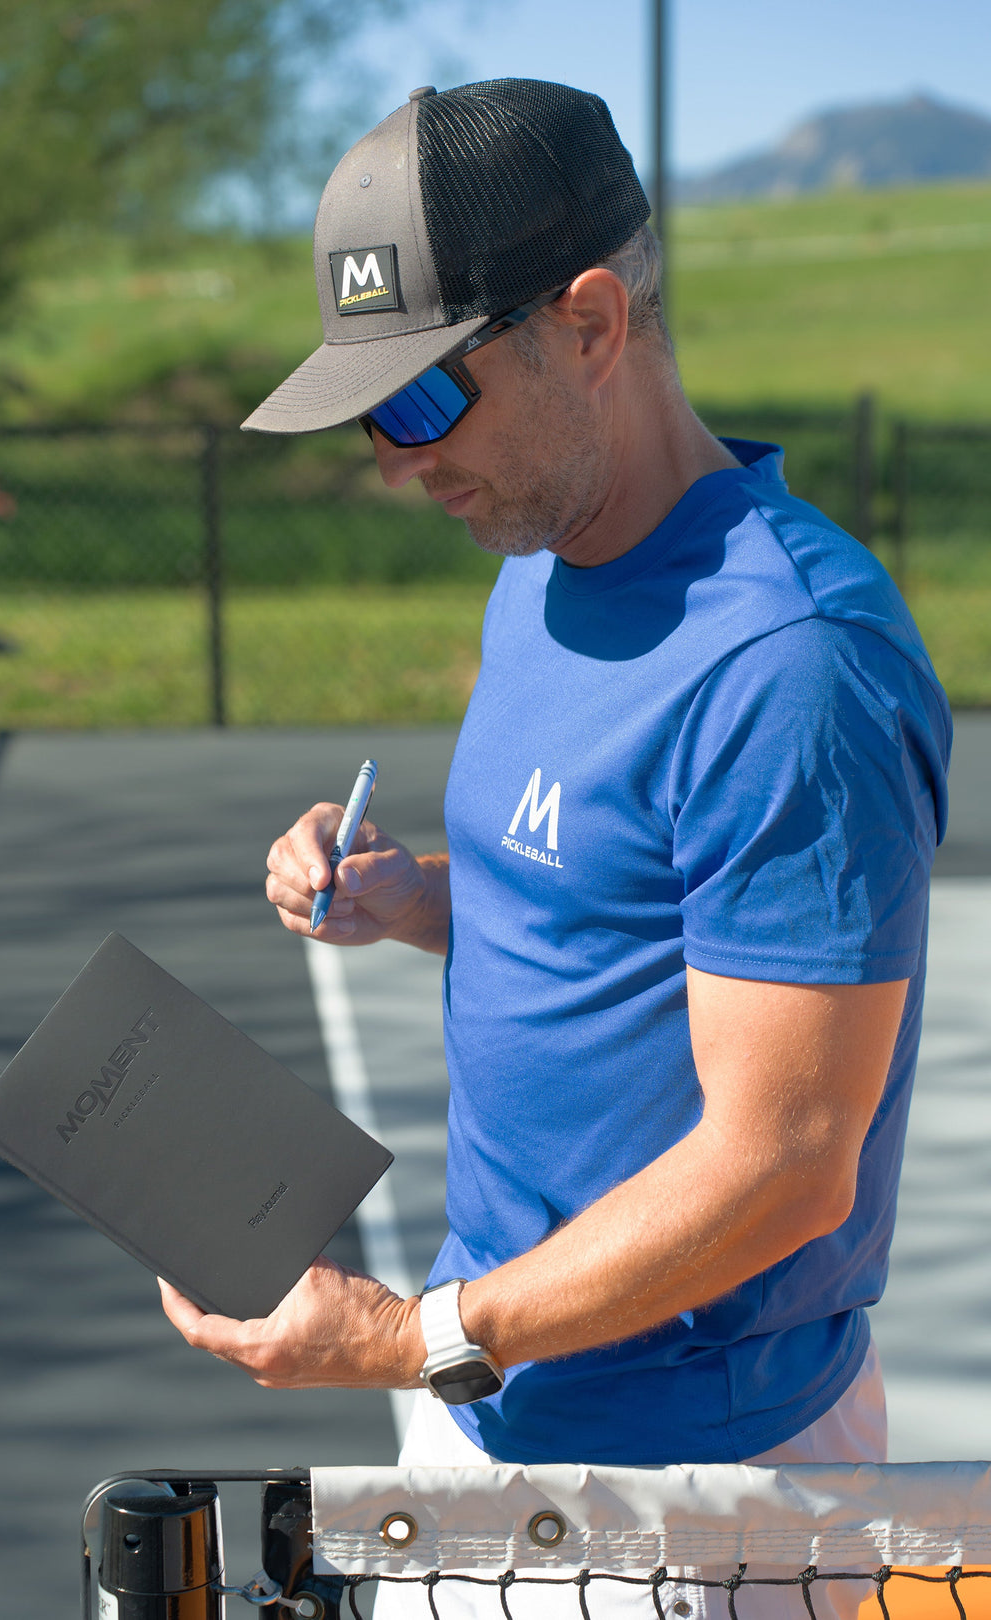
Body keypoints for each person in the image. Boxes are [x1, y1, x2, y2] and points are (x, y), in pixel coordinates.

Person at [159, 80, 951, 1618]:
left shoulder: (789, 664)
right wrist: (415, 900)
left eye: (422, 400)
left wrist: (414, 1338)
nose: (397, 460)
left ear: (590, 322)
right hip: (494, 1389)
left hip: (690, 1498)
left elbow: (786, 1165)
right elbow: (611, 898)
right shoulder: (541, 562)